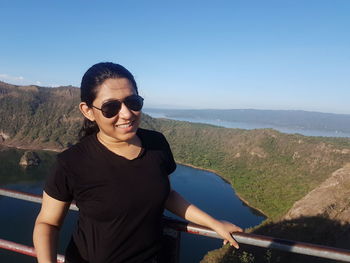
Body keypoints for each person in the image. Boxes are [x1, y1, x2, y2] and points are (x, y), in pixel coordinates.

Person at [33, 62, 243, 263]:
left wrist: (213, 224)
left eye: (133, 102)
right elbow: (47, 223)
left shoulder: (156, 144)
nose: (126, 114)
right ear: (88, 111)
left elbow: (166, 194)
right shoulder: (71, 163)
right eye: (111, 107)